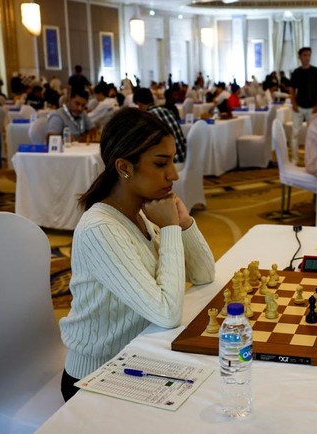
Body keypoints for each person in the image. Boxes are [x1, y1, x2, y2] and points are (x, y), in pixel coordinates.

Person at [59, 108, 215, 401]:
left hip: (139, 357)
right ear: (124, 167)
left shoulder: (144, 210)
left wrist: (182, 223)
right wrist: (168, 228)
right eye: (161, 163)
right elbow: (166, 313)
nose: (174, 174)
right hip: (95, 378)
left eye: (172, 160)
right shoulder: (100, 229)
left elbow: (204, 274)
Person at [290, 47, 317, 163]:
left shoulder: (316, 71)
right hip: (299, 106)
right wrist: (293, 103)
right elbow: (292, 89)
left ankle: (310, 159)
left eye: (309, 55)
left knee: (312, 135)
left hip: (312, 107)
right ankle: (294, 158)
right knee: (295, 133)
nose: (307, 58)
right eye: (305, 55)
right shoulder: (296, 72)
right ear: (300, 57)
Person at [134, 87, 187, 164]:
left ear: (139, 105)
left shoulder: (148, 118)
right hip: (184, 159)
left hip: (171, 163)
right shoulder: (168, 111)